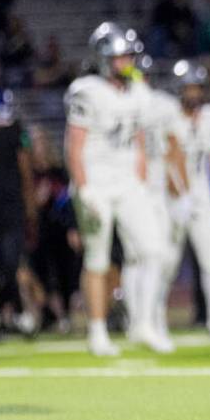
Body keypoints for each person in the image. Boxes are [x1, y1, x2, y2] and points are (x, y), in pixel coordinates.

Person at [64, 23, 167, 356]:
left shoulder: (138, 92)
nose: (127, 63)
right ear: (104, 58)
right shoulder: (86, 90)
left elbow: (137, 136)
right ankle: (97, 332)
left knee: (153, 250)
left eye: (129, 56)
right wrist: (83, 188)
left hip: (126, 181)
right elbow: (74, 144)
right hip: (96, 180)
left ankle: (143, 324)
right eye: (121, 57)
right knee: (98, 258)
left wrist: (140, 177)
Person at [165, 60, 210, 338]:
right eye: (189, 88)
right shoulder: (169, 115)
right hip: (172, 196)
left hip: (202, 196)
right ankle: (150, 319)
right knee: (166, 262)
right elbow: (171, 158)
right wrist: (180, 196)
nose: (194, 94)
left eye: (197, 88)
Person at [126, 57, 186, 352]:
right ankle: (141, 321)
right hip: (131, 188)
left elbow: (173, 148)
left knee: (156, 257)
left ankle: (149, 319)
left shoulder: (161, 104)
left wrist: (181, 191)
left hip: (156, 189)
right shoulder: (118, 102)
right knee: (141, 256)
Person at [0, 85, 39, 340]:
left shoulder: (13, 136)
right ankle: (3, 316)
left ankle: (3, 314)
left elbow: (25, 173)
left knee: (8, 264)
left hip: (7, 209)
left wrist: (31, 210)